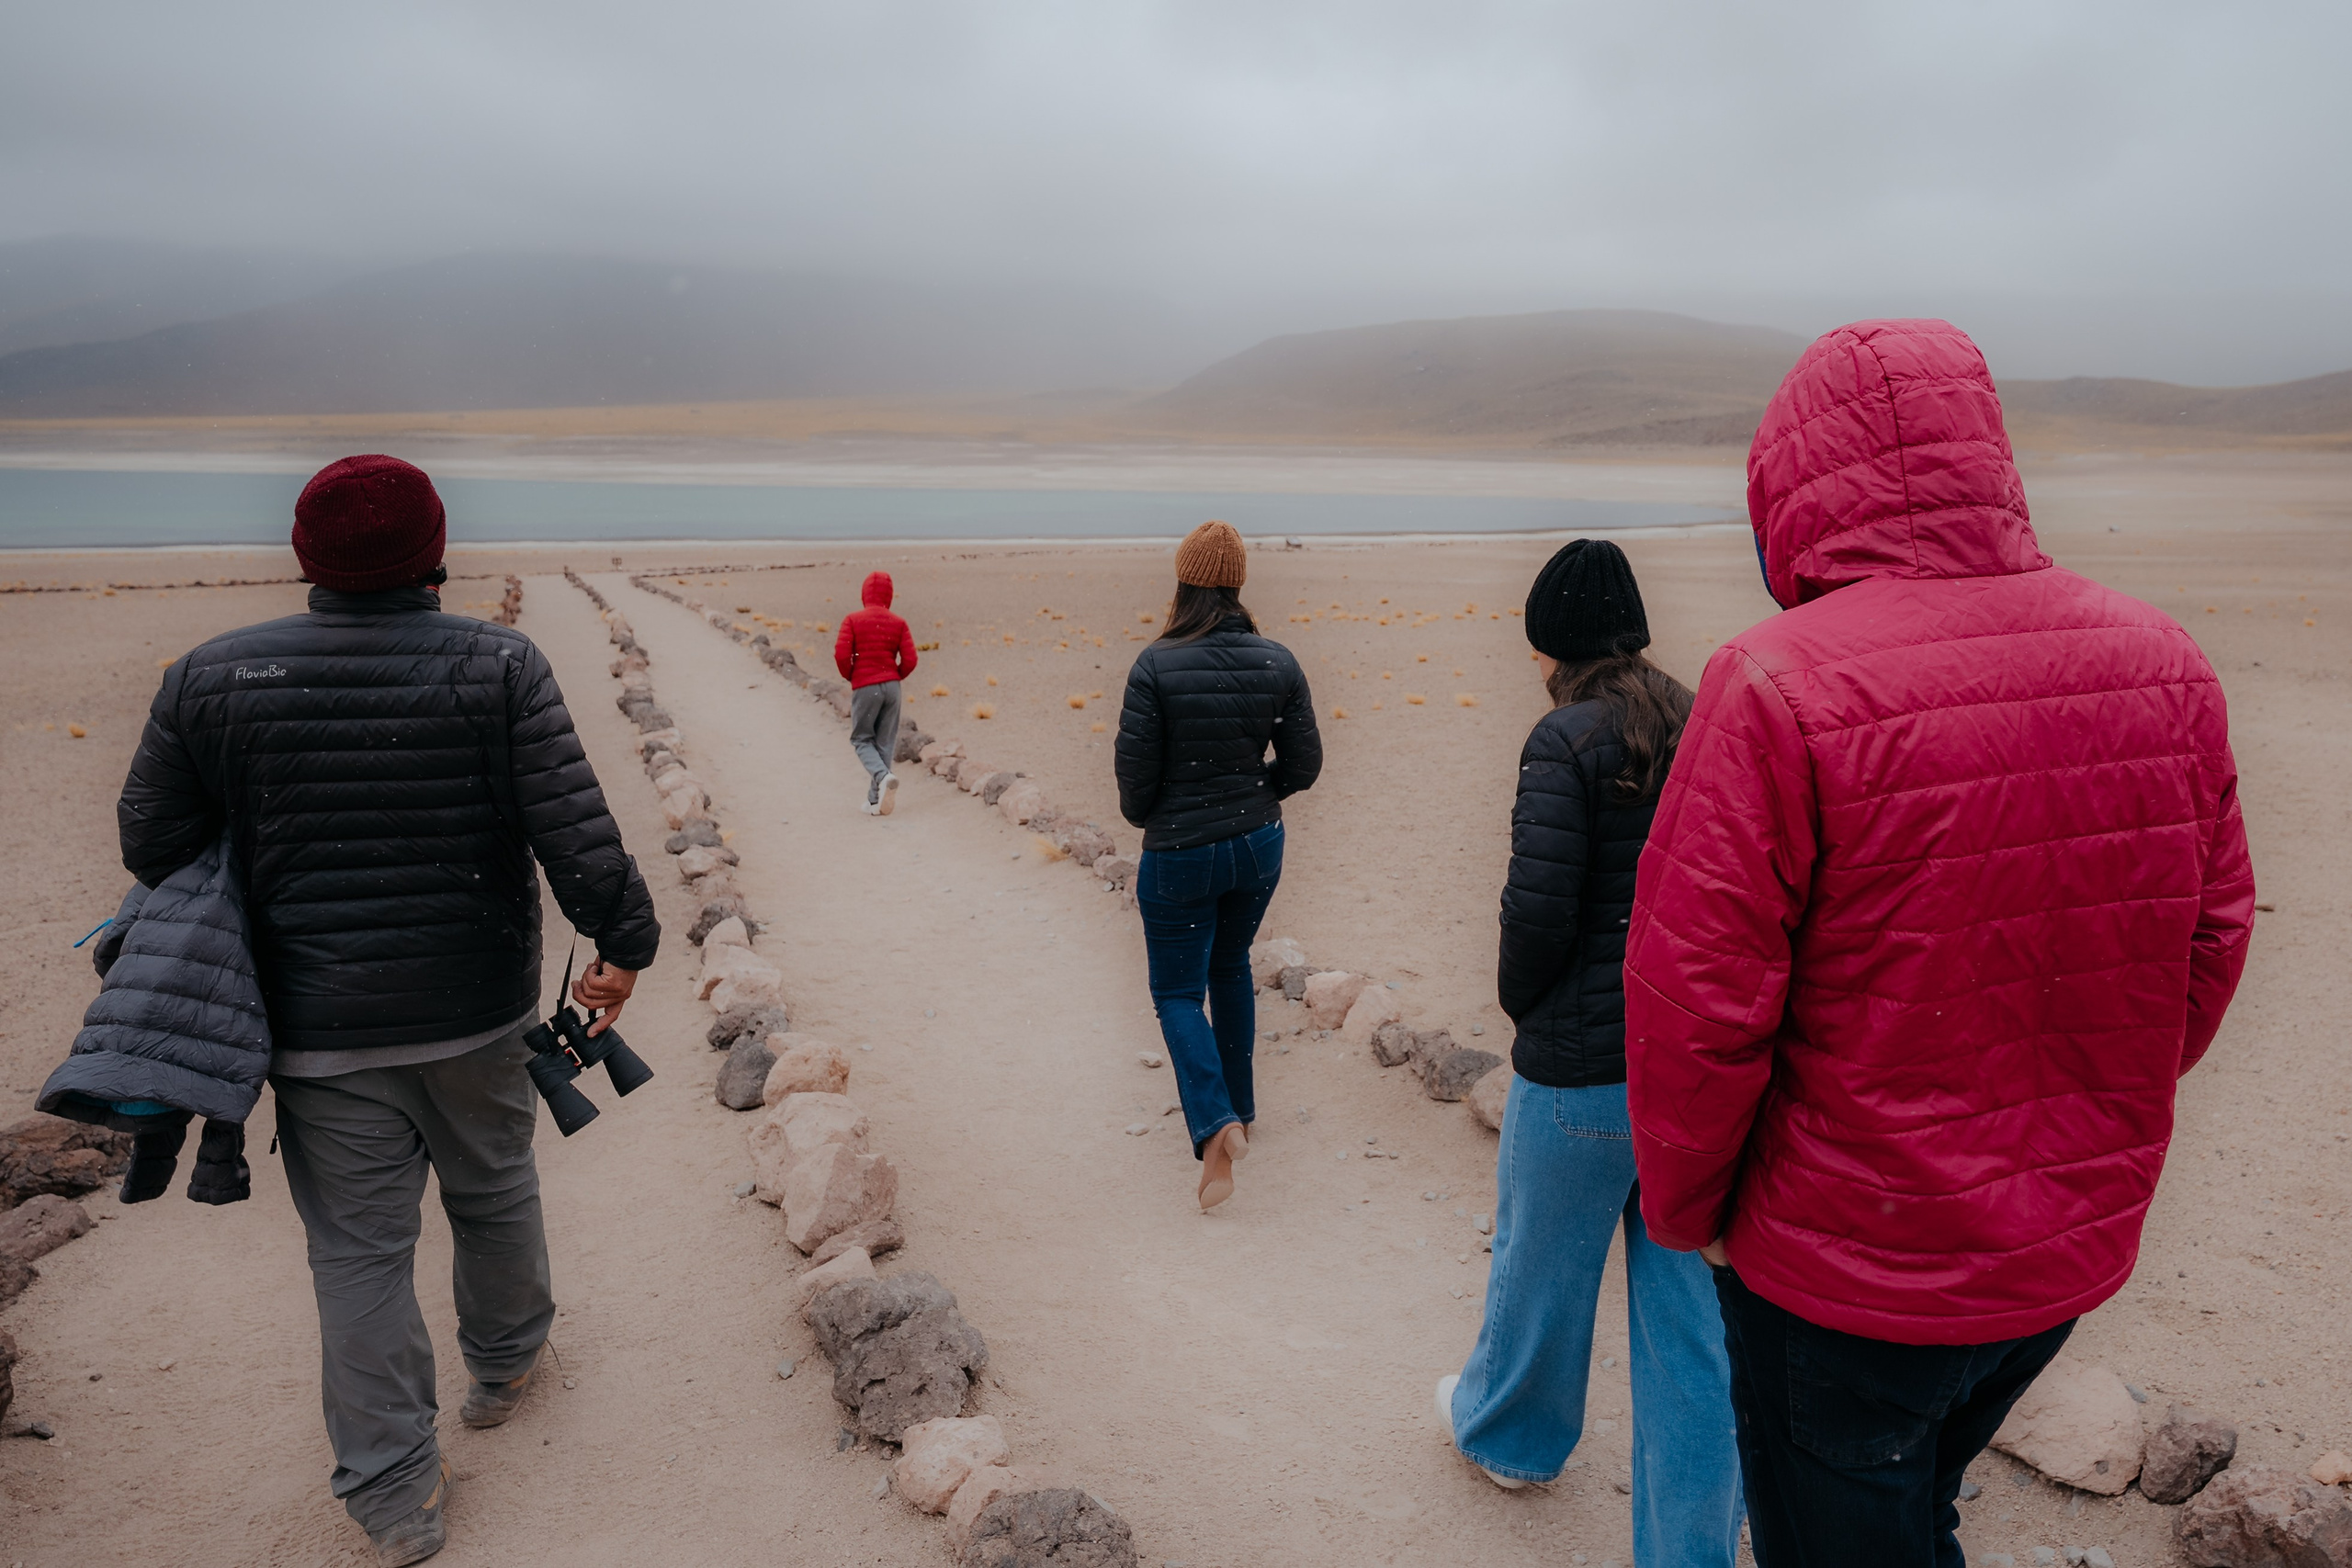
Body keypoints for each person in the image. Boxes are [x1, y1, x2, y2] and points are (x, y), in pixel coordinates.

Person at [1623, 320, 2255, 1565]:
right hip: (2058, 1256)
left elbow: (1699, 997)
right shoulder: (2162, 659)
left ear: (1792, 483)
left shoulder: (1774, 682)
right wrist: (2080, 1108)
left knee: (1850, 1520)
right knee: (1917, 1499)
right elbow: (2209, 938)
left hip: (1844, 1273)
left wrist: (1694, 1210)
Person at [116, 455, 661, 1567]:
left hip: (315, 1030)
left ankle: (395, 1497)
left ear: (308, 555)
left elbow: (151, 844)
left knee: (356, 1255)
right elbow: (574, 827)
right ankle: (504, 1370)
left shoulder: (213, 677)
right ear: (434, 551)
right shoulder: (496, 663)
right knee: (495, 1185)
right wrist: (625, 949)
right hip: (476, 1009)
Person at [1435, 539, 1742, 1566]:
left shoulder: (1560, 739)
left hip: (1579, 1072)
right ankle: (1696, 1538)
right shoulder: (1703, 716)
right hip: (1693, 1076)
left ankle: (1514, 1444)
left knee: (1539, 1273)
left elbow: (1537, 913)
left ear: (1553, 644)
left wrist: (1525, 1009)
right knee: (1690, 1321)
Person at [1114, 520, 1320, 1211]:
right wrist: (1255, 794)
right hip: (1259, 844)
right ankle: (1242, 1110)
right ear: (1236, 585)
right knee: (1230, 965)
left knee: (1176, 992)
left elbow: (1135, 794)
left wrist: (1181, 811)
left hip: (1179, 851)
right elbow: (1305, 765)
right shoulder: (1279, 661)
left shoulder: (1155, 664)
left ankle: (1215, 1123)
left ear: (1184, 583)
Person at [833, 570, 920, 815]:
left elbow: (841, 655)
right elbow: (911, 659)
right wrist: (895, 675)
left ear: (864, 594)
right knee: (885, 742)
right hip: (892, 688)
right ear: (889, 596)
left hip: (865, 685)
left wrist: (852, 675)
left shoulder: (852, 619)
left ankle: (882, 777)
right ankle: (875, 801)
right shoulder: (899, 622)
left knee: (861, 739)